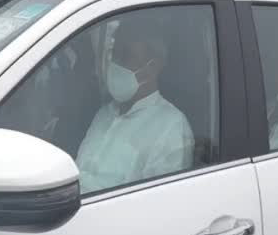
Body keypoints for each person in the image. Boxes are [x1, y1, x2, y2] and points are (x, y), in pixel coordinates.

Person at [76, 17, 194, 194]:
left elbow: (159, 205)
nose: (115, 64)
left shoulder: (171, 128)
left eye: (125, 56)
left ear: (153, 66)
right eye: (114, 55)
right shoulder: (104, 113)